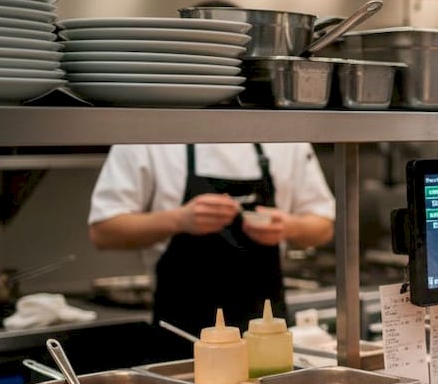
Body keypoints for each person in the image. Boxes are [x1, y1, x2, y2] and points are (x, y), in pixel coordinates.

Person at [87, 141, 335, 350]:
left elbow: (324, 227)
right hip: (181, 339)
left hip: (267, 340)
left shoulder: (282, 136)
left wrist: (288, 227)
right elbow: (104, 231)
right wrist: (178, 220)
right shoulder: (151, 133)